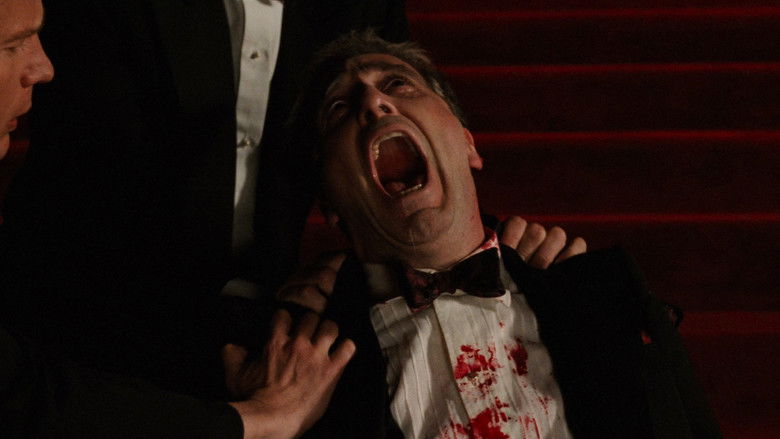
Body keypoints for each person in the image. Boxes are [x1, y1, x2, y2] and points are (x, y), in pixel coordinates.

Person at [271, 31, 722, 438]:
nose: (373, 102)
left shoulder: (601, 297)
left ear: (468, 144)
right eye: (339, 108)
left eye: (397, 84)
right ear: (329, 206)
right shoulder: (293, 363)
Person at [0, 0, 409, 398]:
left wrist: (351, 266)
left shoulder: (364, 8)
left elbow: (400, 137)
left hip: (273, 313)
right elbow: (82, 179)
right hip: (86, 313)